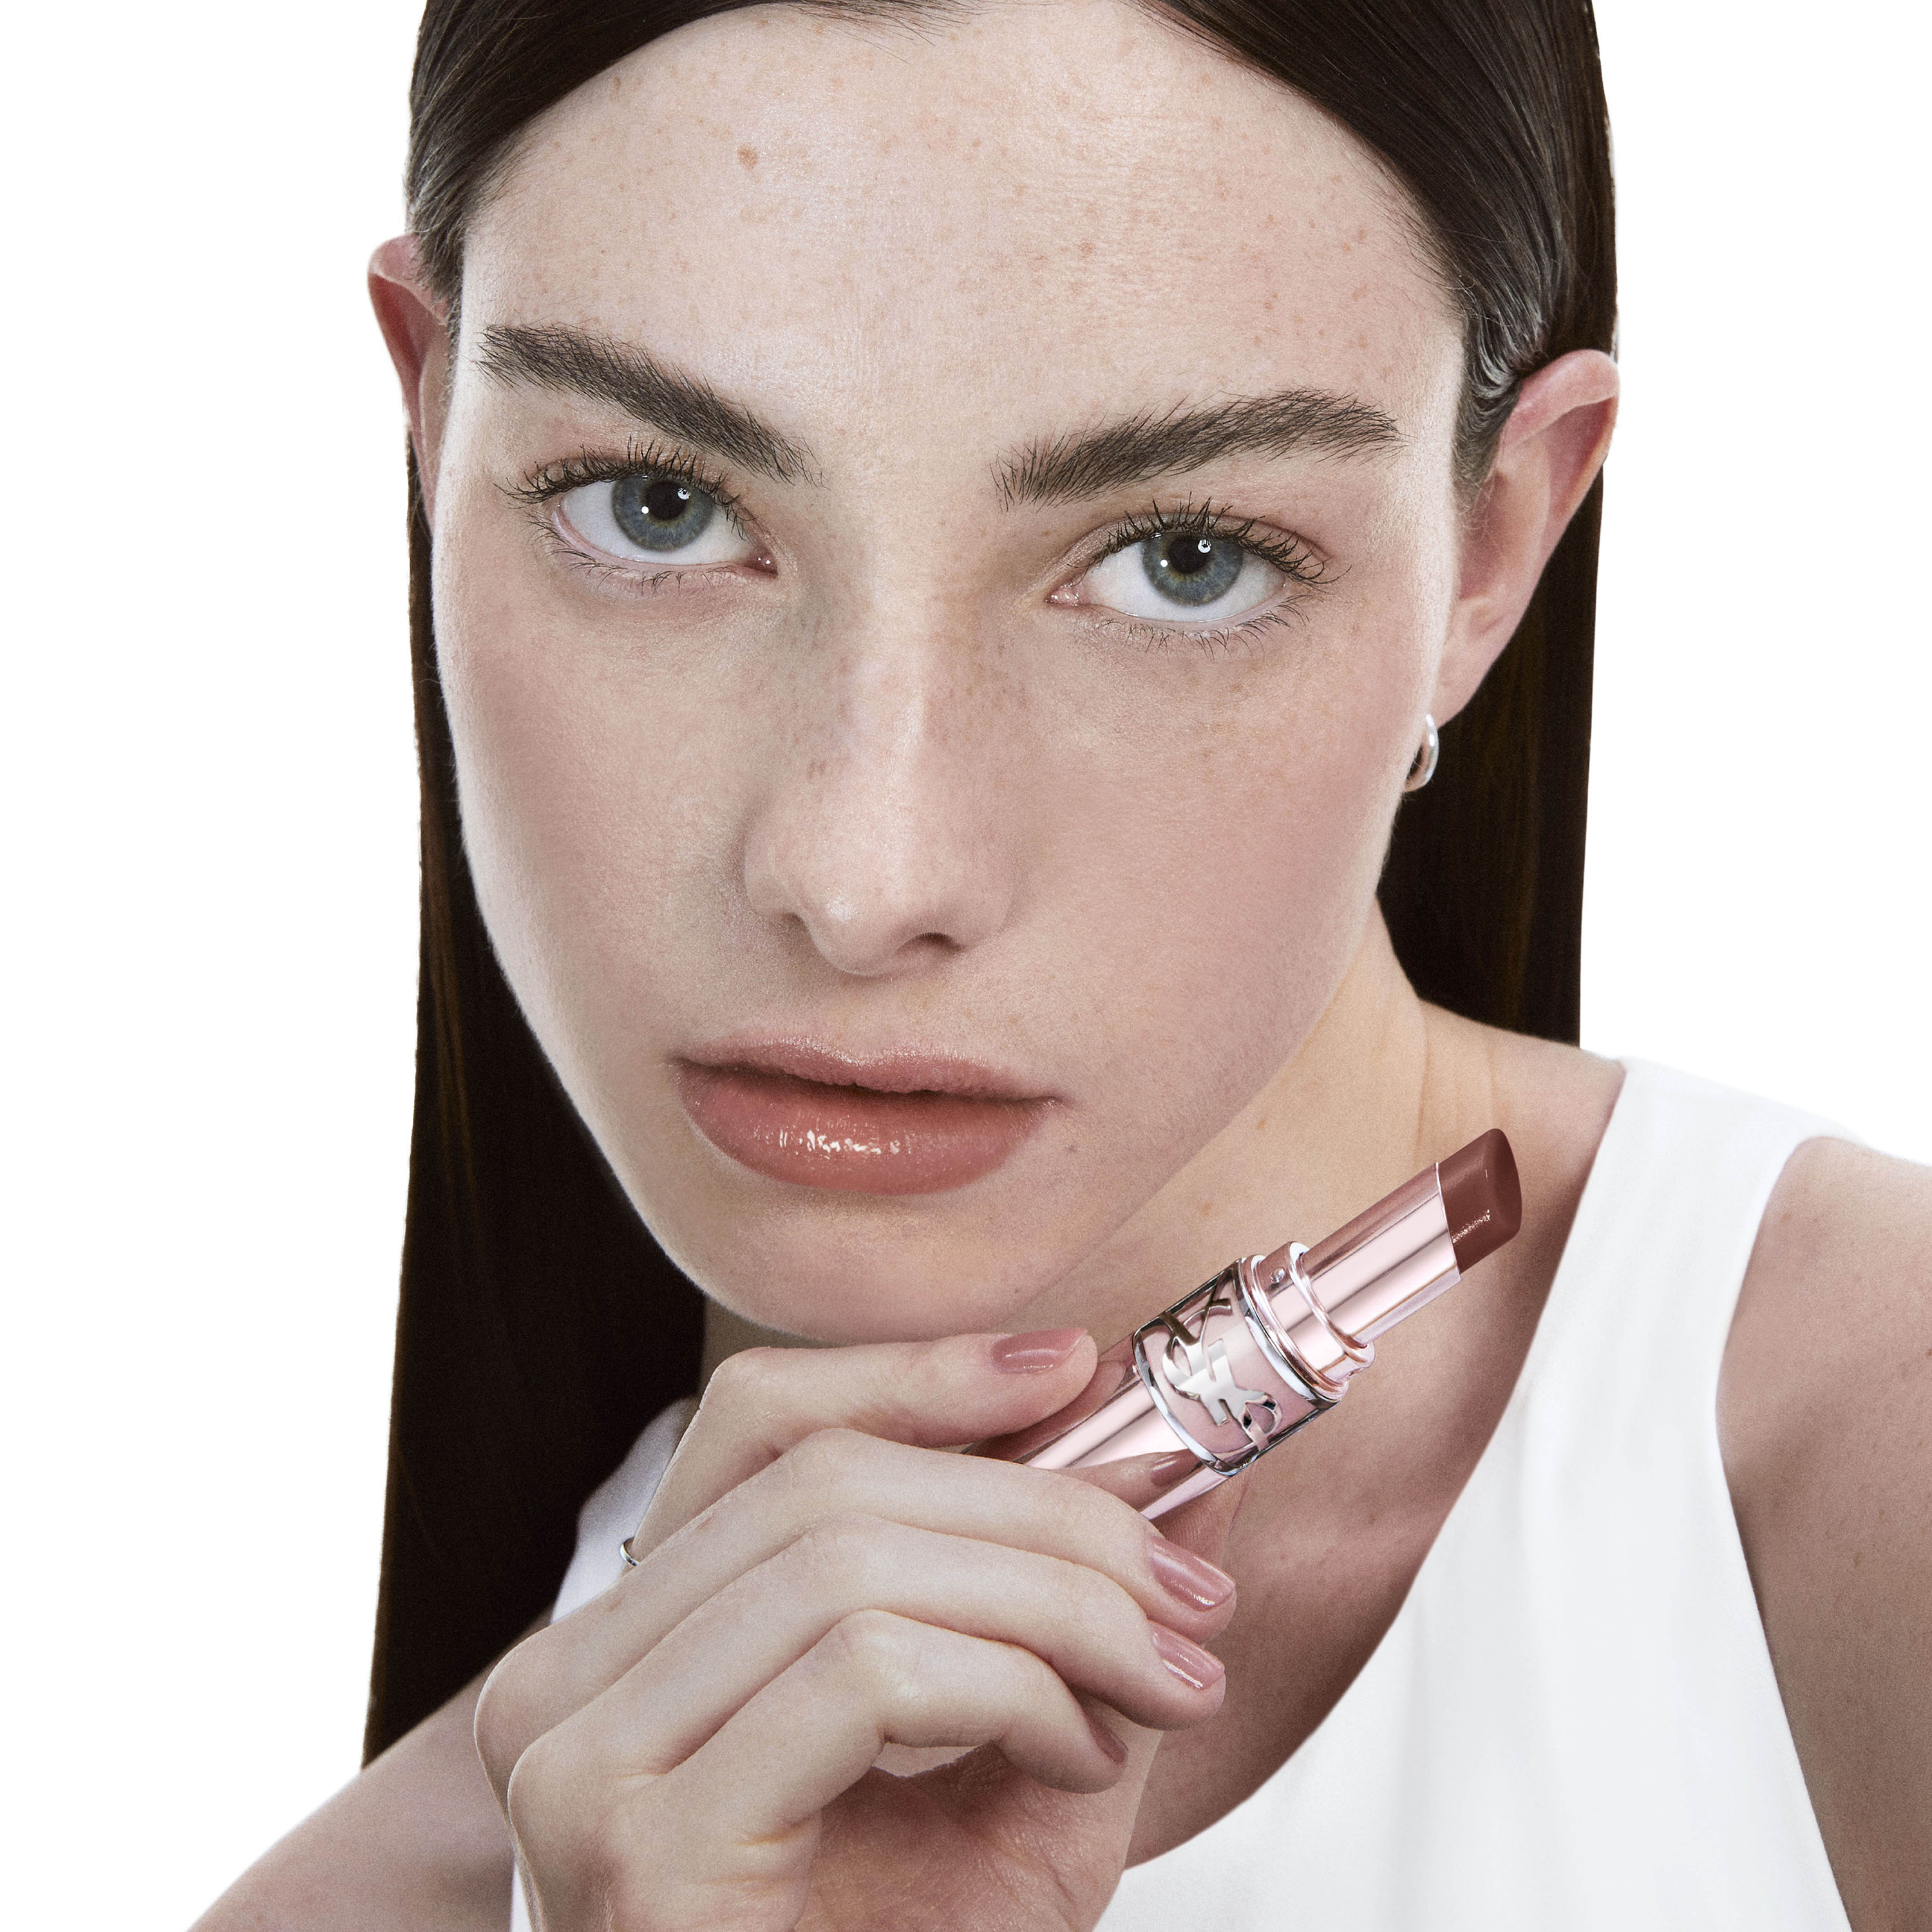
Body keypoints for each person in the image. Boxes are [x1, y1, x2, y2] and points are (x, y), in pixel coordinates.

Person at [194, 1, 1931, 1926]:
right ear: (433, 425)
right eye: (658, 506)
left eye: (1184, 558)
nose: (863, 879)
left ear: (1492, 552)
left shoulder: (1873, 1469)